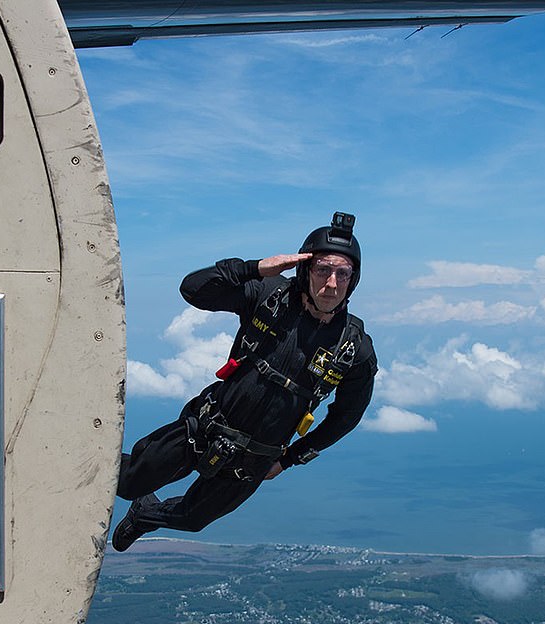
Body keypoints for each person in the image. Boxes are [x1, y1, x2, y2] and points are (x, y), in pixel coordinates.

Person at [112, 212, 378, 552]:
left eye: (343, 274)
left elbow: (346, 418)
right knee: (128, 481)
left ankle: (144, 516)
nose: (331, 284)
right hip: (204, 427)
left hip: (254, 459)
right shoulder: (269, 296)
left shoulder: (355, 348)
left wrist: (289, 459)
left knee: (192, 519)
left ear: (353, 280)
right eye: (323, 270)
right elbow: (193, 290)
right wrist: (253, 268)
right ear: (305, 270)